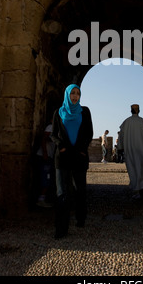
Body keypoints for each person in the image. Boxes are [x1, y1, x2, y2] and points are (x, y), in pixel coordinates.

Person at [50, 84, 93, 238]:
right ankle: (61, 229)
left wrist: (81, 149)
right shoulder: (58, 113)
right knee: (62, 193)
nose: (75, 96)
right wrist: (61, 146)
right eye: (72, 93)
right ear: (67, 95)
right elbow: (53, 134)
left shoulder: (85, 111)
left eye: (77, 93)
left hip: (79, 157)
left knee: (79, 190)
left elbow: (89, 132)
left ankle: (81, 218)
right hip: (62, 157)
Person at [118, 104, 143, 199]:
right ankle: (139, 188)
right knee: (140, 168)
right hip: (142, 150)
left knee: (133, 169)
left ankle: (137, 188)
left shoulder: (126, 122)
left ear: (131, 111)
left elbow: (121, 136)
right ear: (139, 111)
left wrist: (120, 148)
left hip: (130, 150)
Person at [36, 121, 56, 207]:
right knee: (45, 178)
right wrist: (45, 153)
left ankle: (43, 198)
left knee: (48, 178)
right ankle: (41, 199)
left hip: (49, 156)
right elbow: (44, 138)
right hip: (44, 156)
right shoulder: (50, 127)